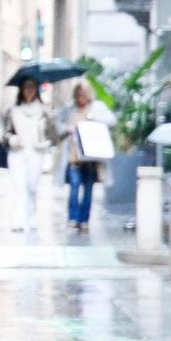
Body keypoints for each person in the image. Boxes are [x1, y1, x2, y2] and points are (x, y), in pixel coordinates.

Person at [56, 81, 111, 232]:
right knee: (74, 188)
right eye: (79, 95)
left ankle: (84, 220)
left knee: (88, 190)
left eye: (84, 95)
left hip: (92, 158)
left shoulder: (97, 108)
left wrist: (94, 119)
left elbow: (112, 120)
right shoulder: (69, 109)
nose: (81, 99)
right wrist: (67, 129)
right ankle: (72, 218)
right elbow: (57, 123)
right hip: (74, 158)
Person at [3, 77, 54, 230]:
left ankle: (31, 216)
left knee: (32, 186)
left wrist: (46, 141)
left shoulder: (45, 111)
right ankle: (18, 220)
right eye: (26, 88)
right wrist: (12, 139)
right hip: (17, 153)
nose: (29, 91)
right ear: (21, 90)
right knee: (20, 187)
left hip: (36, 152)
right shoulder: (12, 110)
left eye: (32, 88)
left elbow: (52, 134)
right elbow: (4, 133)